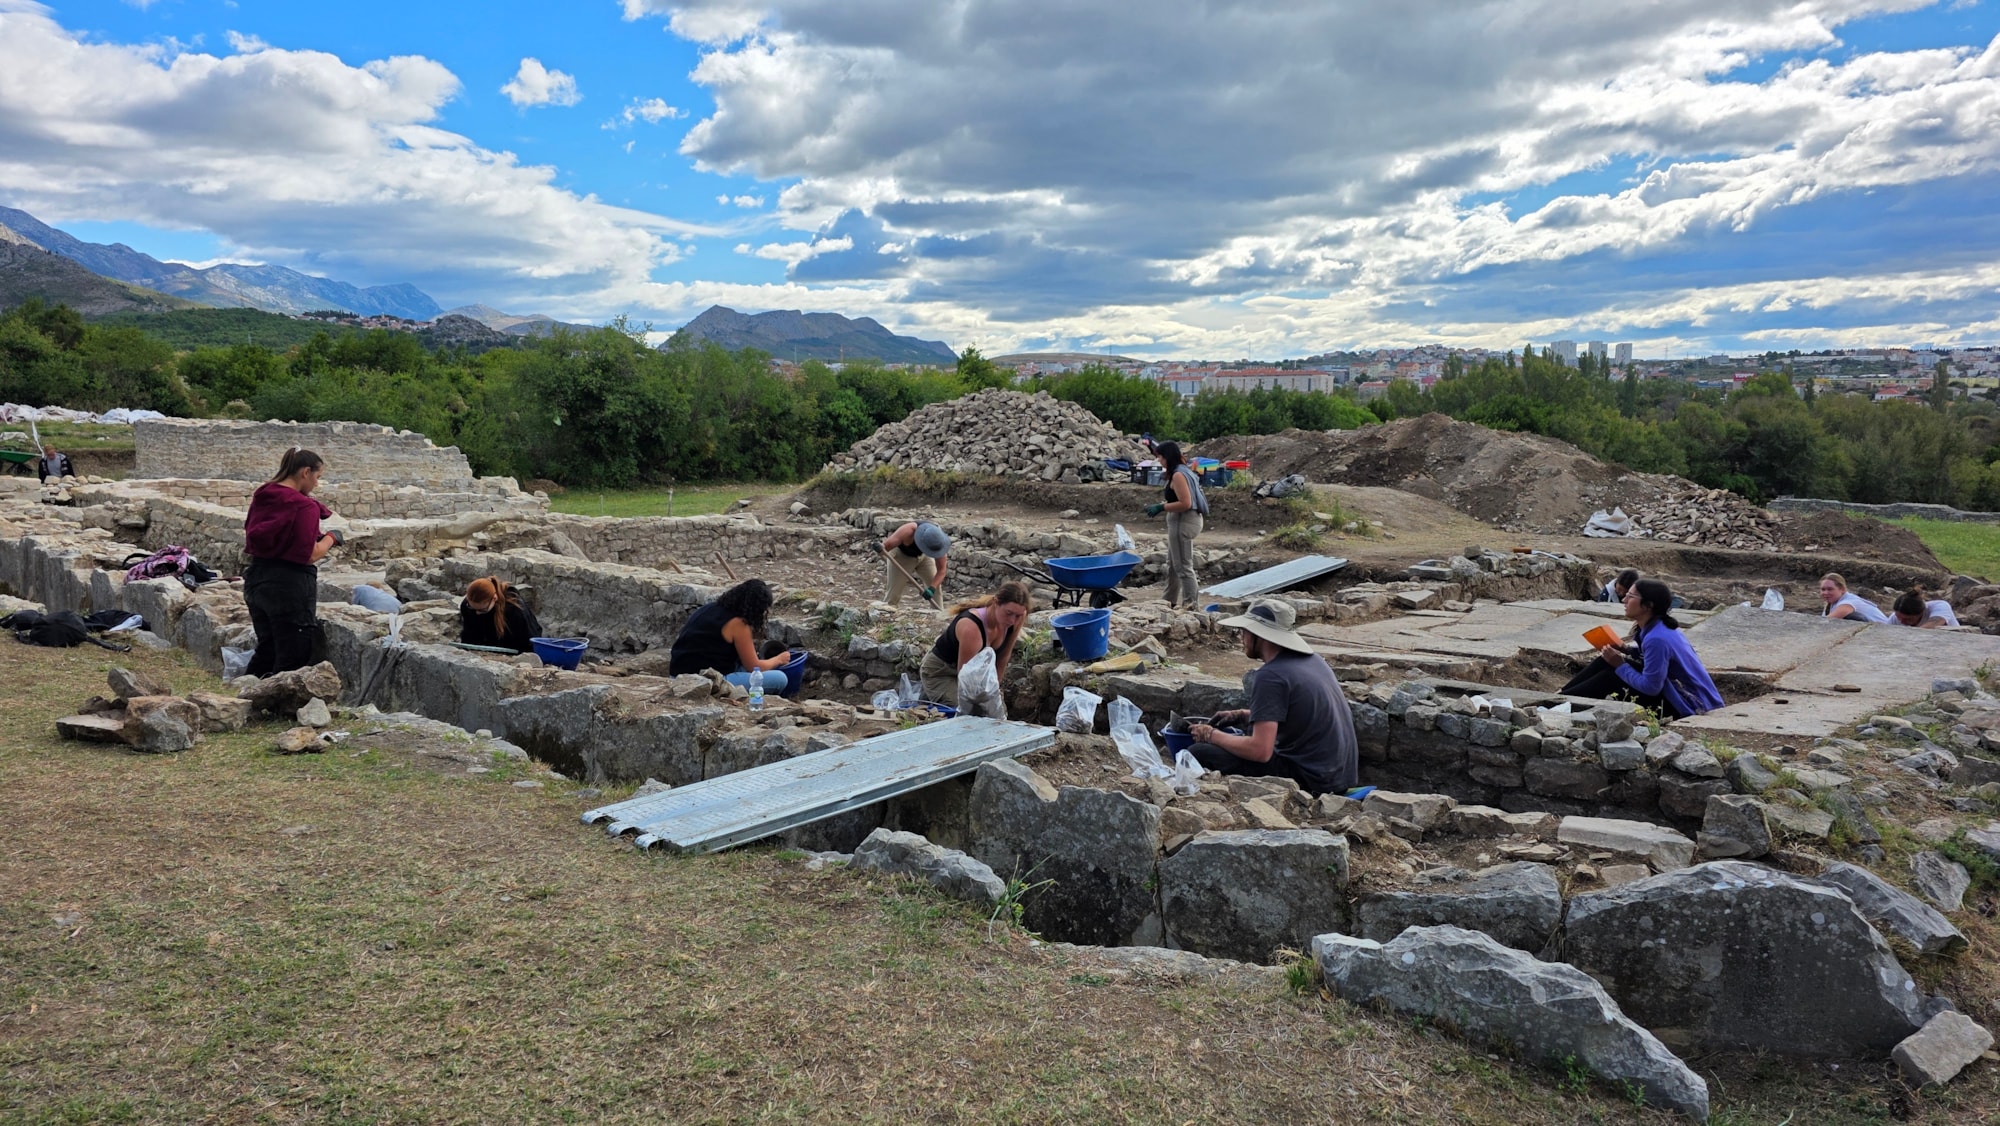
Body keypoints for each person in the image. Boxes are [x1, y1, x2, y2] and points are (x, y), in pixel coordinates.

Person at [1186, 599, 1356, 795]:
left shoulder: (1271, 676)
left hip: (1311, 780)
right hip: (1338, 775)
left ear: (1260, 636)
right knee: (1246, 732)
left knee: (1199, 752)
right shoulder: (1314, 660)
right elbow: (1297, 716)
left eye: (1245, 631)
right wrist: (1243, 715)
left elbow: (1261, 751)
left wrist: (1210, 735)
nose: (1242, 637)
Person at [1561, 579, 1724, 718]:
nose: (1624, 600)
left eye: (1630, 596)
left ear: (1648, 605)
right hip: (1681, 694)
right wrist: (1625, 650)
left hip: (1688, 706)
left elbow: (1651, 688)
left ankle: (1559, 707)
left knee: (1610, 677)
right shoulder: (1660, 627)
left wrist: (1620, 665)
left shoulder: (1657, 639)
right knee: (1605, 661)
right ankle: (1561, 697)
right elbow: (1653, 661)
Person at [241, 447, 337, 677]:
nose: (316, 484)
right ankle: (276, 706)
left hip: (257, 578)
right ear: (305, 472)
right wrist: (331, 538)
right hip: (289, 585)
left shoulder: (264, 493)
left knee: (268, 647)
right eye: (317, 477)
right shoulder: (304, 506)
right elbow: (310, 554)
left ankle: (247, 696)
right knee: (293, 653)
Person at [919, 580, 1031, 717]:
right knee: (967, 714)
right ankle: (931, 695)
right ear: (996, 603)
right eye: (1008, 613)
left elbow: (1003, 657)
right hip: (942, 671)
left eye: (1018, 615)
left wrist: (995, 691)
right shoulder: (971, 626)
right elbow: (966, 679)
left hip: (977, 673)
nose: (1012, 620)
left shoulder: (1016, 617)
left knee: (997, 714)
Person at [668, 578, 792, 694]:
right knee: (780, 678)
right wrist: (779, 659)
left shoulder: (710, 608)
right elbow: (754, 667)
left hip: (678, 674)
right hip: (704, 682)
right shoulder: (739, 623)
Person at [1143, 441, 1209, 609]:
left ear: (1167, 457)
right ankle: (1169, 601)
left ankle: (1191, 606)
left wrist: (1161, 507)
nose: (1159, 460)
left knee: (1183, 567)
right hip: (1181, 521)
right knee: (1174, 565)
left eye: (1160, 457)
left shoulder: (1178, 475)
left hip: (1184, 522)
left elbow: (1185, 503)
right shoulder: (1182, 470)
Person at [459, 577, 543, 654]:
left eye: (482, 610)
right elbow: (468, 636)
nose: (477, 613)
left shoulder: (515, 610)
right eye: (472, 608)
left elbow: (530, 641)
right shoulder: (467, 607)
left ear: (494, 599)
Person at [882, 520, 951, 606]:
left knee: (935, 587)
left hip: (924, 556)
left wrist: (932, 588)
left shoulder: (938, 542)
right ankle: (886, 612)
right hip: (902, 556)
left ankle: (939, 615)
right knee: (894, 593)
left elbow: (941, 570)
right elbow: (885, 547)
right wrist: (880, 548)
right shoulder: (908, 530)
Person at [1819, 572, 1891, 623]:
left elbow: (1826, 623)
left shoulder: (1848, 603)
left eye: (1830, 589)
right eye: (1823, 589)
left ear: (1843, 589)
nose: (1825, 593)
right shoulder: (1832, 602)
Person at [1891, 589, 1960, 628]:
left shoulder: (1940, 606)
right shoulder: (1894, 618)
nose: (1901, 622)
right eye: (1899, 618)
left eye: (1908, 619)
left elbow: (1935, 623)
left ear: (1921, 612)